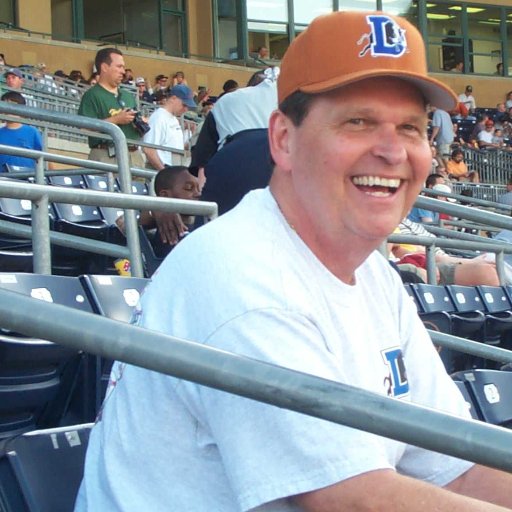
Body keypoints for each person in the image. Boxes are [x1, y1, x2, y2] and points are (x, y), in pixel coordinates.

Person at [75, 11, 512, 511]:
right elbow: (354, 501)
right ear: (283, 139)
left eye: (411, 128)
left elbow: (456, 467)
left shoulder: (368, 270)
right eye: (358, 121)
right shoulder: (242, 273)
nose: (393, 151)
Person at [78, 47, 145, 168]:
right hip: (106, 155)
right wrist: (116, 120)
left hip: (134, 155)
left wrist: (140, 123)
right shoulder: (92, 95)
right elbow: (84, 128)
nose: (123, 71)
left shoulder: (127, 95)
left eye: (123, 67)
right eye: (119, 67)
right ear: (104, 67)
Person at [142, 84, 196, 170]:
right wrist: (163, 171)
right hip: (161, 168)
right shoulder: (159, 117)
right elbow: (149, 149)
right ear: (173, 98)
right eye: (184, 105)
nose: (186, 109)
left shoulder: (172, 118)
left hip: (173, 168)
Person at [0, 91, 42, 171]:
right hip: (3, 179)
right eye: (5, 106)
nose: (8, 110)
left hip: (28, 179)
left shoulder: (32, 132)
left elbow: (43, 156)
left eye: (12, 106)